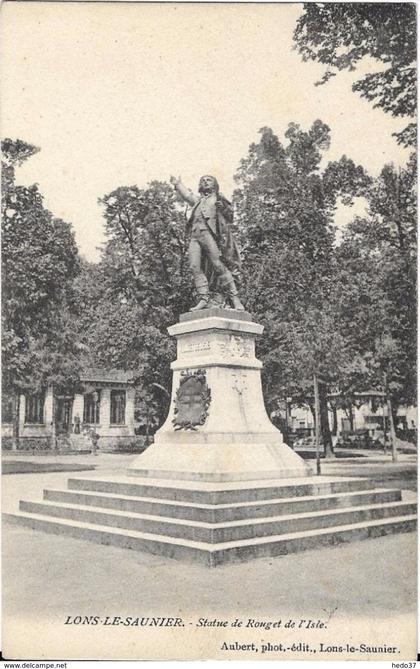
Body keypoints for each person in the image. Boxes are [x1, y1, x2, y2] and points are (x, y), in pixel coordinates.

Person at [170, 174, 245, 311]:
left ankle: (235, 298)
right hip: (195, 237)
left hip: (209, 235)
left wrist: (222, 207)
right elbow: (187, 196)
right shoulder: (198, 201)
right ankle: (204, 298)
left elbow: (230, 215)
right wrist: (177, 184)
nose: (205, 182)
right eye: (202, 180)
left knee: (218, 265)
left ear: (215, 184)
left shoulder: (218, 198)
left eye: (208, 180)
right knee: (194, 267)